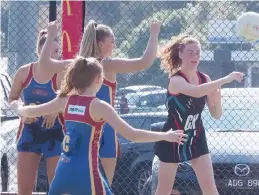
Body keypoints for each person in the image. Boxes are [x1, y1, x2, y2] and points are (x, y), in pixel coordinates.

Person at [10, 57, 187, 195]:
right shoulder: (99, 106)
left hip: (63, 171)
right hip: (86, 173)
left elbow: (29, 112)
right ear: (97, 78)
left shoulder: (64, 101)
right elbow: (132, 134)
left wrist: (17, 106)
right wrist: (165, 136)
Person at [38, 19, 161, 185]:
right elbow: (144, 62)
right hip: (88, 132)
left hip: (100, 133)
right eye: (112, 41)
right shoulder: (96, 65)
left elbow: (45, 63)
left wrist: (52, 33)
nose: (114, 45)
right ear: (100, 43)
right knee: (89, 185)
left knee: (94, 185)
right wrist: (154, 33)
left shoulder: (91, 65)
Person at [153, 35, 244, 195]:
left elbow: (216, 114)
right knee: (164, 190)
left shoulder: (205, 79)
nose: (194, 57)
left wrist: (216, 100)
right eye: (190, 52)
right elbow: (195, 92)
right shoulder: (176, 80)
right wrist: (225, 79)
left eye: (197, 52)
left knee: (210, 188)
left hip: (196, 135)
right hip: (174, 136)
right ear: (180, 54)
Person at [8, 30, 65, 195]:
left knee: (57, 189)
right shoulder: (24, 72)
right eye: (49, 52)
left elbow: (71, 101)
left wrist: (55, 109)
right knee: (24, 189)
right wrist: (22, 112)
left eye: (56, 52)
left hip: (55, 134)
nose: (54, 56)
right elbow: (12, 98)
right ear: (39, 51)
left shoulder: (62, 74)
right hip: (29, 133)